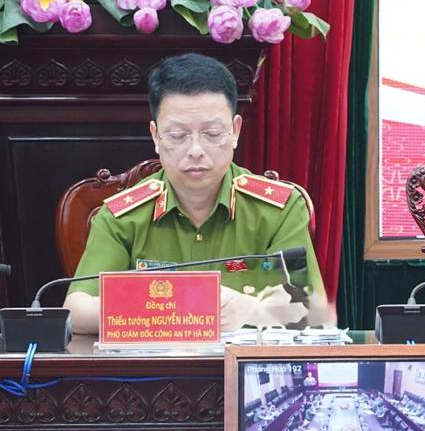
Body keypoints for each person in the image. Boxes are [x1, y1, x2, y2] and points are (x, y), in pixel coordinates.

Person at [63, 53, 326, 333]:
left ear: (235, 131)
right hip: (154, 375)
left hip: (243, 372)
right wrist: (180, 310)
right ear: (155, 136)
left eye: (212, 133)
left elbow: (310, 310)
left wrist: (250, 309)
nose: (196, 150)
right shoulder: (122, 216)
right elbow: (77, 311)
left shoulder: (279, 210)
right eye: (178, 135)